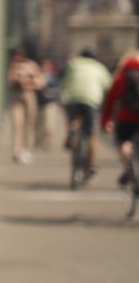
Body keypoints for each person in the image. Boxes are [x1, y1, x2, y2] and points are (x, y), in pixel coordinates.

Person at [58, 48, 113, 179]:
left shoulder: (73, 64)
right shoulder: (99, 67)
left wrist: (62, 98)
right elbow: (109, 87)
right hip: (91, 100)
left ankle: (72, 131)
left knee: (75, 119)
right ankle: (92, 164)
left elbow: (63, 82)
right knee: (93, 133)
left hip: (72, 99)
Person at [101, 49, 139, 186]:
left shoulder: (121, 76)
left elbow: (111, 100)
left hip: (126, 116)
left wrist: (106, 120)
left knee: (123, 142)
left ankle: (128, 166)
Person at [7, 46, 44, 163]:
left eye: (19, 55)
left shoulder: (31, 65)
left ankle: (27, 150)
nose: (17, 57)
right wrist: (17, 78)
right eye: (15, 55)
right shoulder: (13, 66)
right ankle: (17, 151)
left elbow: (39, 83)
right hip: (16, 95)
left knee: (29, 123)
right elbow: (11, 79)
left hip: (29, 93)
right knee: (17, 123)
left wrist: (28, 81)